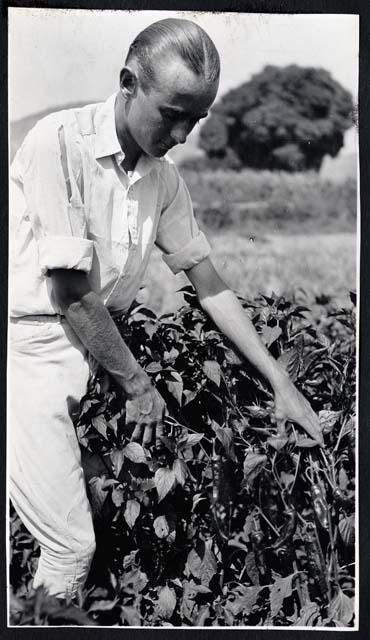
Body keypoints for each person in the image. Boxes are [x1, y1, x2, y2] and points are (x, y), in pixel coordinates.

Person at [8, 17, 323, 603]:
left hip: (101, 353)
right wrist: (139, 386)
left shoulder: (164, 179)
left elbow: (209, 282)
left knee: (94, 525)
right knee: (69, 546)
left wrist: (280, 379)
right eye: (172, 112)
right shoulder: (59, 143)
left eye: (197, 118)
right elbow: (72, 293)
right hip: (33, 355)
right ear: (128, 82)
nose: (182, 131)